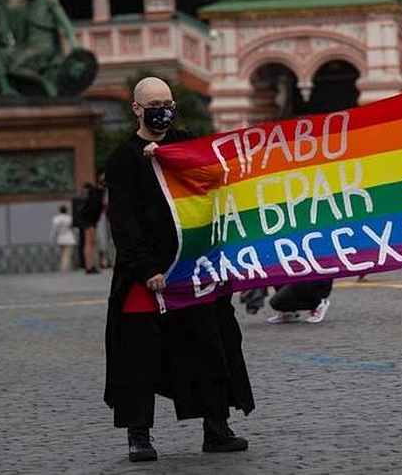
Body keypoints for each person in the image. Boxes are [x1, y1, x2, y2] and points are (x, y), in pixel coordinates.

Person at [104, 76, 254, 461]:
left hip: (194, 268)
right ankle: (139, 435)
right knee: (138, 354)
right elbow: (124, 222)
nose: (163, 109)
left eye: (168, 102)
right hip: (148, 274)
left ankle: (216, 428)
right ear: (137, 108)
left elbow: (219, 179)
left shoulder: (187, 144)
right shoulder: (123, 159)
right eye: (155, 103)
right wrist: (146, 268)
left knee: (211, 344)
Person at [266, 281, 333, 323]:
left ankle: (318, 304)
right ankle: (289, 310)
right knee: (278, 269)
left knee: (276, 302)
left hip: (315, 278)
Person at [51, 204, 77, 273]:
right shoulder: (69, 218)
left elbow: (54, 231)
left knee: (62, 255)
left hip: (60, 239)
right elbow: (73, 228)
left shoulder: (55, 219)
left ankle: (64, 268)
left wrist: (53, 239)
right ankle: (65, 269)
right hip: (69, 239)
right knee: (67, 256)